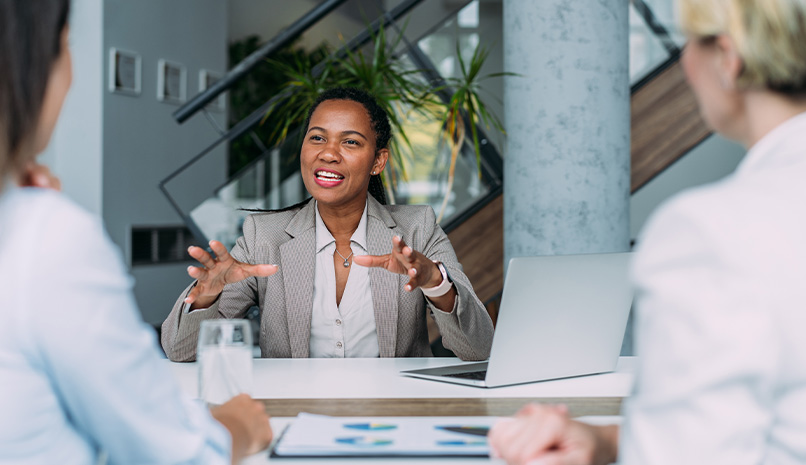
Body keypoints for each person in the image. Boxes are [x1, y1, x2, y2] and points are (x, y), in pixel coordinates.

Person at [489, 0, 806, 463]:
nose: (685, 62)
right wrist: (607, 441)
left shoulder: (710, 229)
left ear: (729, 59)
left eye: (690, 42)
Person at [0, 1, 272, 463]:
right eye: (67, 49)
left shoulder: (411, 229)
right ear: (35, 66)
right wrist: (236, 430)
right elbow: (175, 452)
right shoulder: (46, 237)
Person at [161, 87, 494, 362]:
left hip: (391, 416)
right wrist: (205, 297)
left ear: (378, 161)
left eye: (350, 142)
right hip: (293, 416)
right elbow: (179, 351)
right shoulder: (263, 237)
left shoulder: (417, 229)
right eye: (317, 138)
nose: (329, 154)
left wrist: (436, 283)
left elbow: (479, 349)